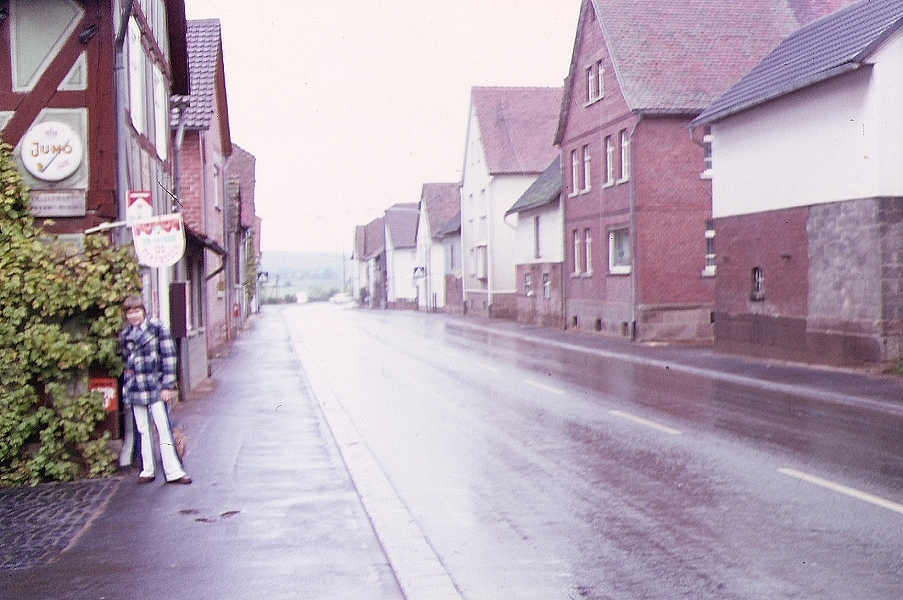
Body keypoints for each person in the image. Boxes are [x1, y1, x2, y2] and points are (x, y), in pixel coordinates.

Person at [119, 295, 192, 485]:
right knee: (142, 429)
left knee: (163, 428)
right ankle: (147, 469)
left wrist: (168, 385)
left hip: (155, 385)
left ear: (143, 311)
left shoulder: (157, 328)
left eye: (136, 311)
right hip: (136, 387)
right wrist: (127, 387)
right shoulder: (126, 335)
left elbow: (168, 357)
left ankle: (174, 471)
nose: (133, 316)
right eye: (129, 313)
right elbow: (127, 362)